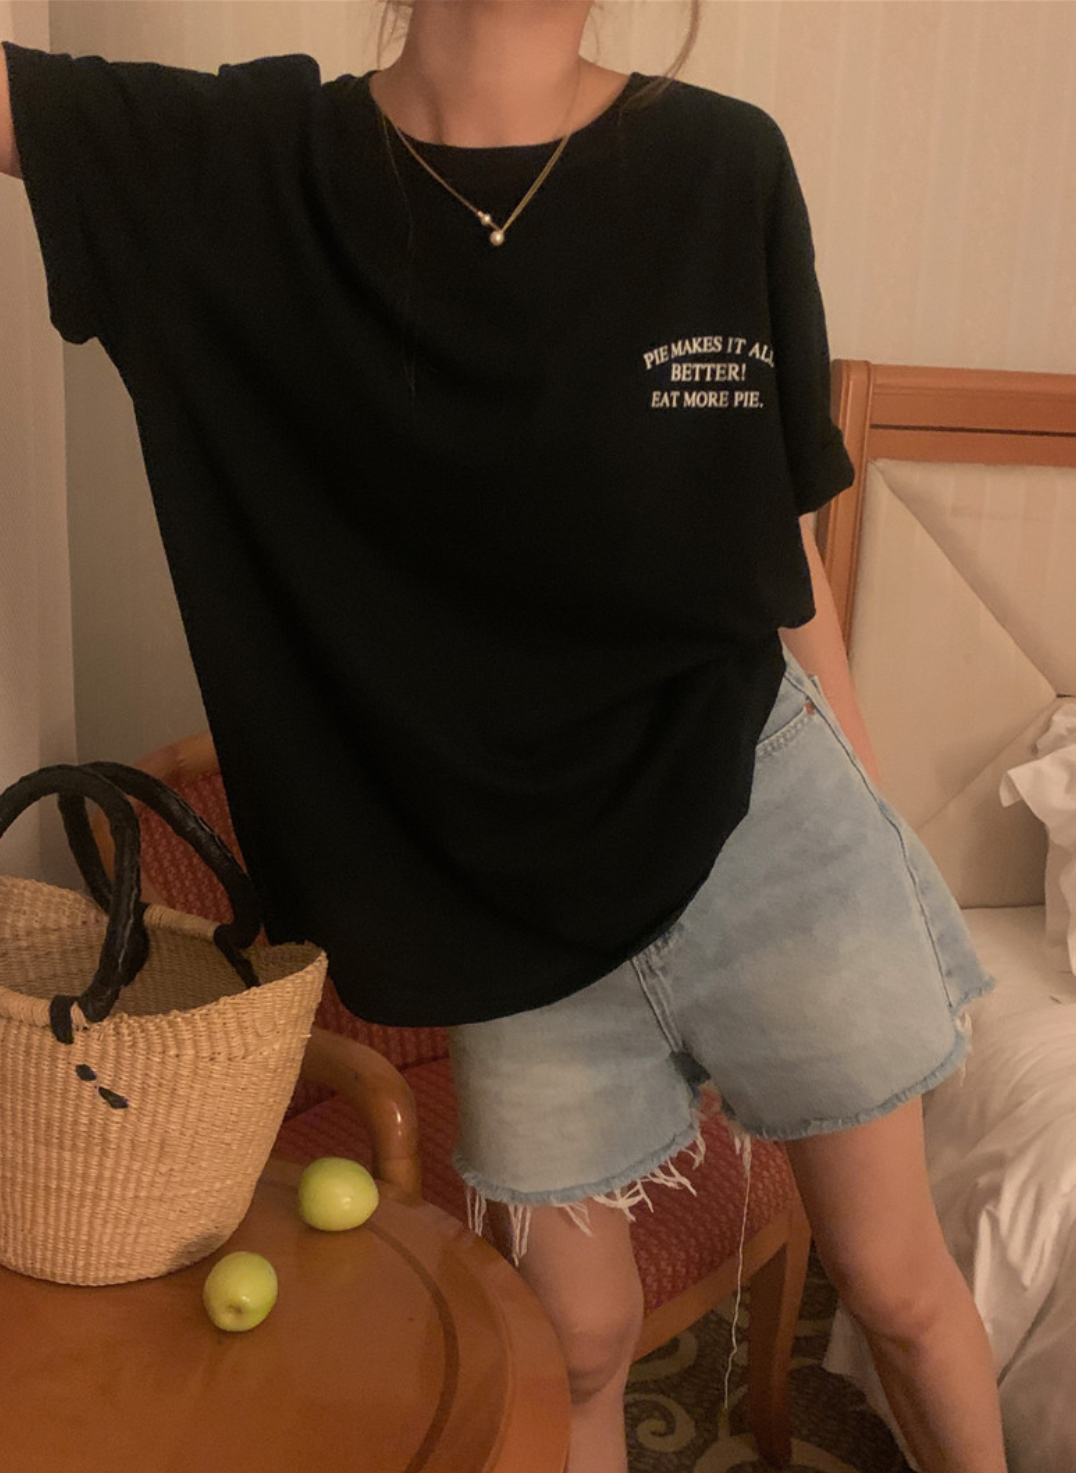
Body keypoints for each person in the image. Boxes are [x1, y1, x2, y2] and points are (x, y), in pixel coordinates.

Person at [1, 4, 1009, 1470]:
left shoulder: (722, 165)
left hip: (772, 810)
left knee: (901, 1287)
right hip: (493, 890)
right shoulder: (246, 171)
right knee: (576, 1339)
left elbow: (779, 539)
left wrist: (871, 817)